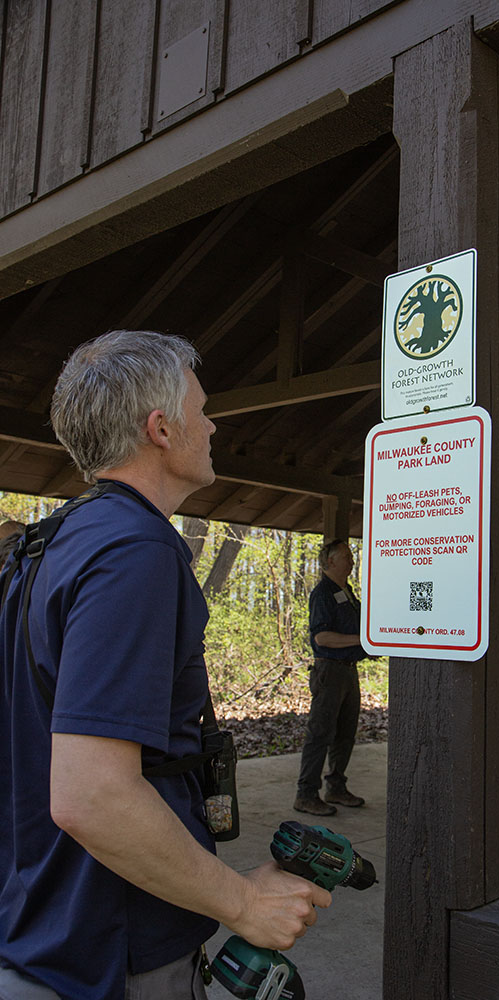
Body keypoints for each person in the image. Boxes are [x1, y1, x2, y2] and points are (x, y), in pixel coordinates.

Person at [0, 330, 330, 1000]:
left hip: (35, 922)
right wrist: (240, 904)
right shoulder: (133, 551)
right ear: (160, 429)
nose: (212, 425)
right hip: (105, 954)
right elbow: (93, 796)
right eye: (201, 409)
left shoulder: (45, 544)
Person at [294, 538, 366, 816]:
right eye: (347, 556)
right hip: (330, 671)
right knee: (320, 733)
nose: (352, 560)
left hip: (349, 670)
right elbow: (322, 637)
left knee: (345, 734)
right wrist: (361, 639)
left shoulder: (346, 591)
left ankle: (335, 786)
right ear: (331, 561)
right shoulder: (323, 593)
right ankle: (305, 794)